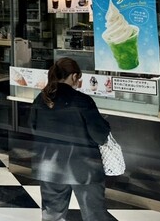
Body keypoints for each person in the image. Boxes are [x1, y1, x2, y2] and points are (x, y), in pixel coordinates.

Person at [29, 57, 112, 221]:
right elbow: (100, 135)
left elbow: (33, 128)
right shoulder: (82, 100)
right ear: (74, 76)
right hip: (84, 169)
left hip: (49, 168)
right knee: (95, 216)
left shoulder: (41, 99)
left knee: (52, 216)